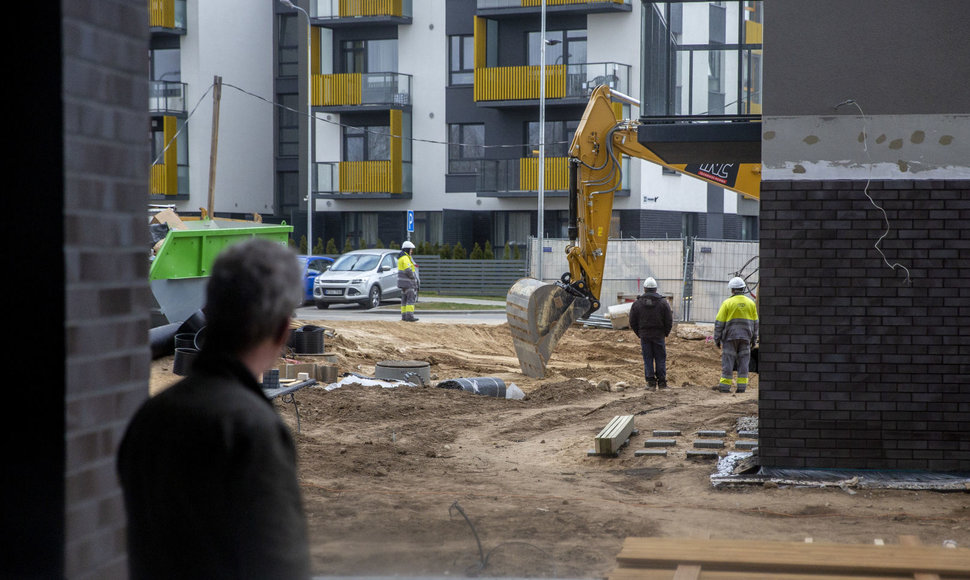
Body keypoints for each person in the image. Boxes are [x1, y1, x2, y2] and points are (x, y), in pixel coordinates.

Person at [117, 239, 311, 580]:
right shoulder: (251, 428)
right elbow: (277, 562)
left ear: (210, 311)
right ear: (282, 331)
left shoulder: (150, 416)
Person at [713, 276, 759, 393]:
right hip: (745, 338)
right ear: (743, 289)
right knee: (744, 362)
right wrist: (754, 339)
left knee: (728, 361)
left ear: (732, 290)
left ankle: (724, 387)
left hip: (730, 338)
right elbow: (755, 323)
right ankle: (742, 387)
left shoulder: (727, 303)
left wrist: (717, 339)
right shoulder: (751, 303)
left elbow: (719, 323)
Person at [629, 277, 673, 389]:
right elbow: (668, 320)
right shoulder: (663, 303)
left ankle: (650, 383)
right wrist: (665, 333)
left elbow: (632, 321)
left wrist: (640, 333)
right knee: (660, 358)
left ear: (644, 289)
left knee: (647, 358)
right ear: (655, 289)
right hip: (659, 335)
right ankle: (662, 383)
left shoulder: (637, 304)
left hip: (645, 335)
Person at [398, 240, 419, 322]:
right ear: (407, 249)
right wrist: (413, 278)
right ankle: (410, 316)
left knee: (404, 300)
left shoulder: (400, 258)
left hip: (402, 284)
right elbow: (408, 270)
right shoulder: (405, 258)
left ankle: (404, 316)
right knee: (410, 299)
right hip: (408, 283)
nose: (412, 251)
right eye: (410, 249)